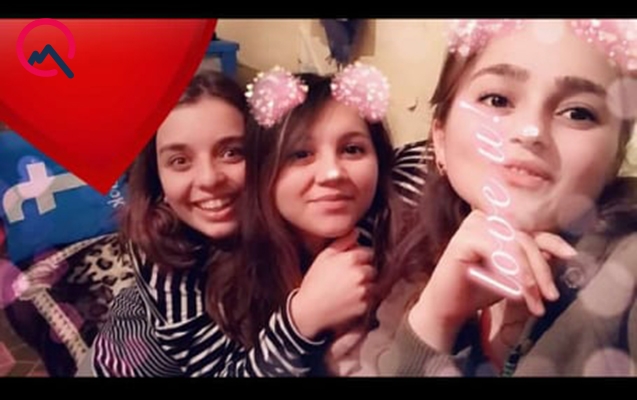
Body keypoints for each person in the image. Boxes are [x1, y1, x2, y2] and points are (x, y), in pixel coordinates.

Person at [373, 19, 637, 377]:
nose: (531, 132)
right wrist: (434, 319)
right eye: (497, 100)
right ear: (440, 139)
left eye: (578, 113)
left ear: (614, 159)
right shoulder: (414, 272)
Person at [82, 69, 383, 377]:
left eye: (231, 153)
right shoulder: (166, 252)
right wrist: (302, 319)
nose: (209, 179)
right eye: (180, 161)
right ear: (158, 179)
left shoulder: (301, 210)